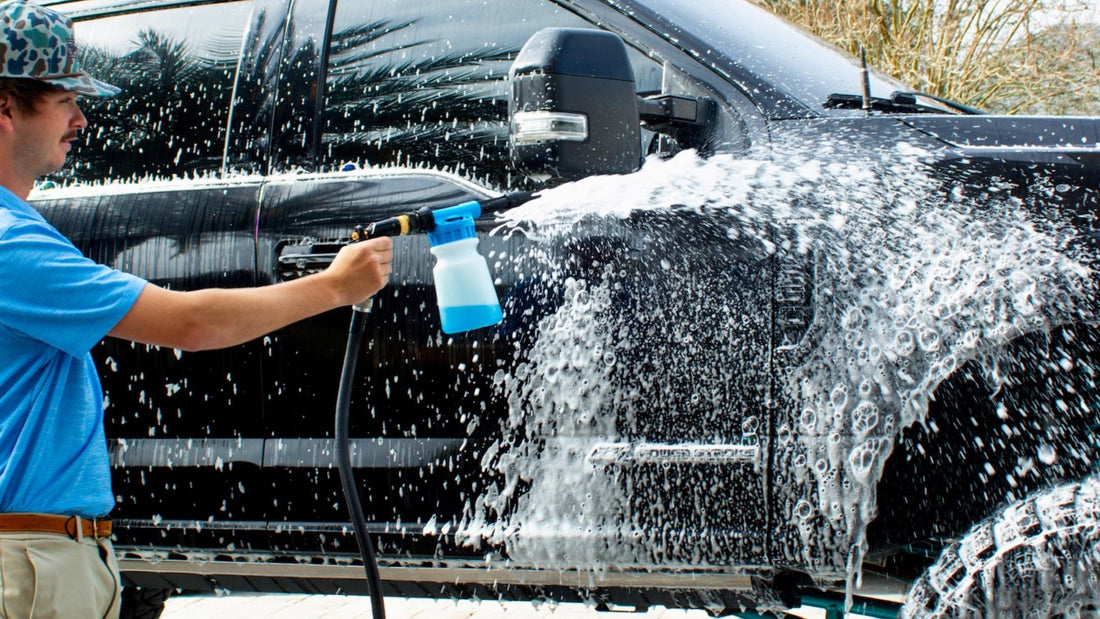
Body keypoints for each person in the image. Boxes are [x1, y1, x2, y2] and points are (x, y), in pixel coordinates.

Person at [0, 1, 394, 616]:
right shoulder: (8, 240)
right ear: (4, 107)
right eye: (63, 100)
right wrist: (335, 286)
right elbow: (191, 324)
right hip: (27, 565)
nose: (80, 118)